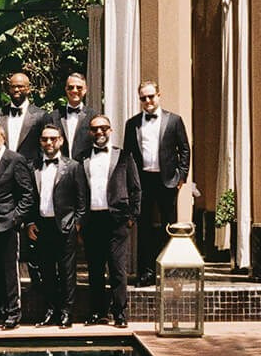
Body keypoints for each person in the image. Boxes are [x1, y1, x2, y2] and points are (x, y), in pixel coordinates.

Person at [122, 81, 189, 285]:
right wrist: (130, 183)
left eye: (151, 96)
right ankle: (147, 272)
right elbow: (128, 156)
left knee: (168, 226)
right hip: (143, 182)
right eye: (143, 98)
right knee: (144, 228)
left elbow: (184, 149)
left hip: (167, 181)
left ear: (158, 95)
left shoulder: (174, 120)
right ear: (139, 99)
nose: (148, 101)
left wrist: (181, 177)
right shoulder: (132, 123)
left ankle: (168, 272)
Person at [78, 115, 138, 326]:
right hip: (92, 220)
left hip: (117, 220)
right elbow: (79, 190)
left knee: (117, 269)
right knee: (94, 269)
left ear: (110, 130)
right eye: (95, 129)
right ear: (90, 132)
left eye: (103, 128)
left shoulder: (123, 156)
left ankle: (120, 313)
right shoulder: (83, 158)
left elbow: (135, 188)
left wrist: (131, 217)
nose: (99, 132)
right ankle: (97, 312)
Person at [26, 124, 88, 328]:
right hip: (42, 226)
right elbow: (30, 199)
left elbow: (82, 200)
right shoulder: (32, 166)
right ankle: (51, 310)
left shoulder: (73, 166)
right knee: (47, 272)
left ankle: (66, 312)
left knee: (67, 272)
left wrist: (77, 224)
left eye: (53, 138)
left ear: (61, 140)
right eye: (45, 139)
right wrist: (30, 222)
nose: (49, 143)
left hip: (65, 226)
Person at [0, 123, 35, 329]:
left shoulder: (15, 159)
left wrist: (15, 218)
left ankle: (13, 312)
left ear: (3, 138)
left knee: (10, 270)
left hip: (7, 223)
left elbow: (27, 194)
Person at [0, 70, 53, 164]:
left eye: (20, 86)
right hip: (3, 171)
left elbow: (46, 147)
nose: (16, 90)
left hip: (29, 173)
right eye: (13, 87)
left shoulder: (41, 116)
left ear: (28, 89)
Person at [54, 72, 95, 160]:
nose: (74, 90)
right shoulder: (53, 116)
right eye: (70, 87)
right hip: (60, 169)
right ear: (66, 89)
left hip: (83, 169)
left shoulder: (93, 116)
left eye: (79, 88)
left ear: (85, 90)